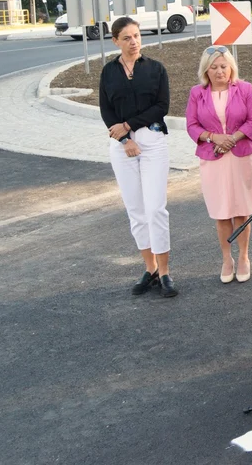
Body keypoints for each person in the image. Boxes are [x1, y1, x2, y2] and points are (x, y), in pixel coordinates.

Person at [99, 16, 175, 297]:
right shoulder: (108, 72)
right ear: (115, 41)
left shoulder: (155, 69)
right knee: (136, 211)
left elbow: (162, 106)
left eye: (137, 36)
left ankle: (166, 272)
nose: (134, 42)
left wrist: (129, 127)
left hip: (152, 141)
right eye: (127, 38)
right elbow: (106, 110)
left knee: (156, 208)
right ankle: (150, 268)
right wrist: (123, 139)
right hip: (121, 147)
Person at [186, 46, 252, 283]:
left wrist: (232, 139)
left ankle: (243, 258)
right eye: (214, 67)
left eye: (224, 66)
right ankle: (227, 258)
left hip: (241, 158)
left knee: (241, 211)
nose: (220, 71)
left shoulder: (245, 89)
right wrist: (213, 137)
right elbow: (192, 125)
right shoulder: (197, 93)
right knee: (222, 213)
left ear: (231, 68)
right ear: (206, 70)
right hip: (213, 159)